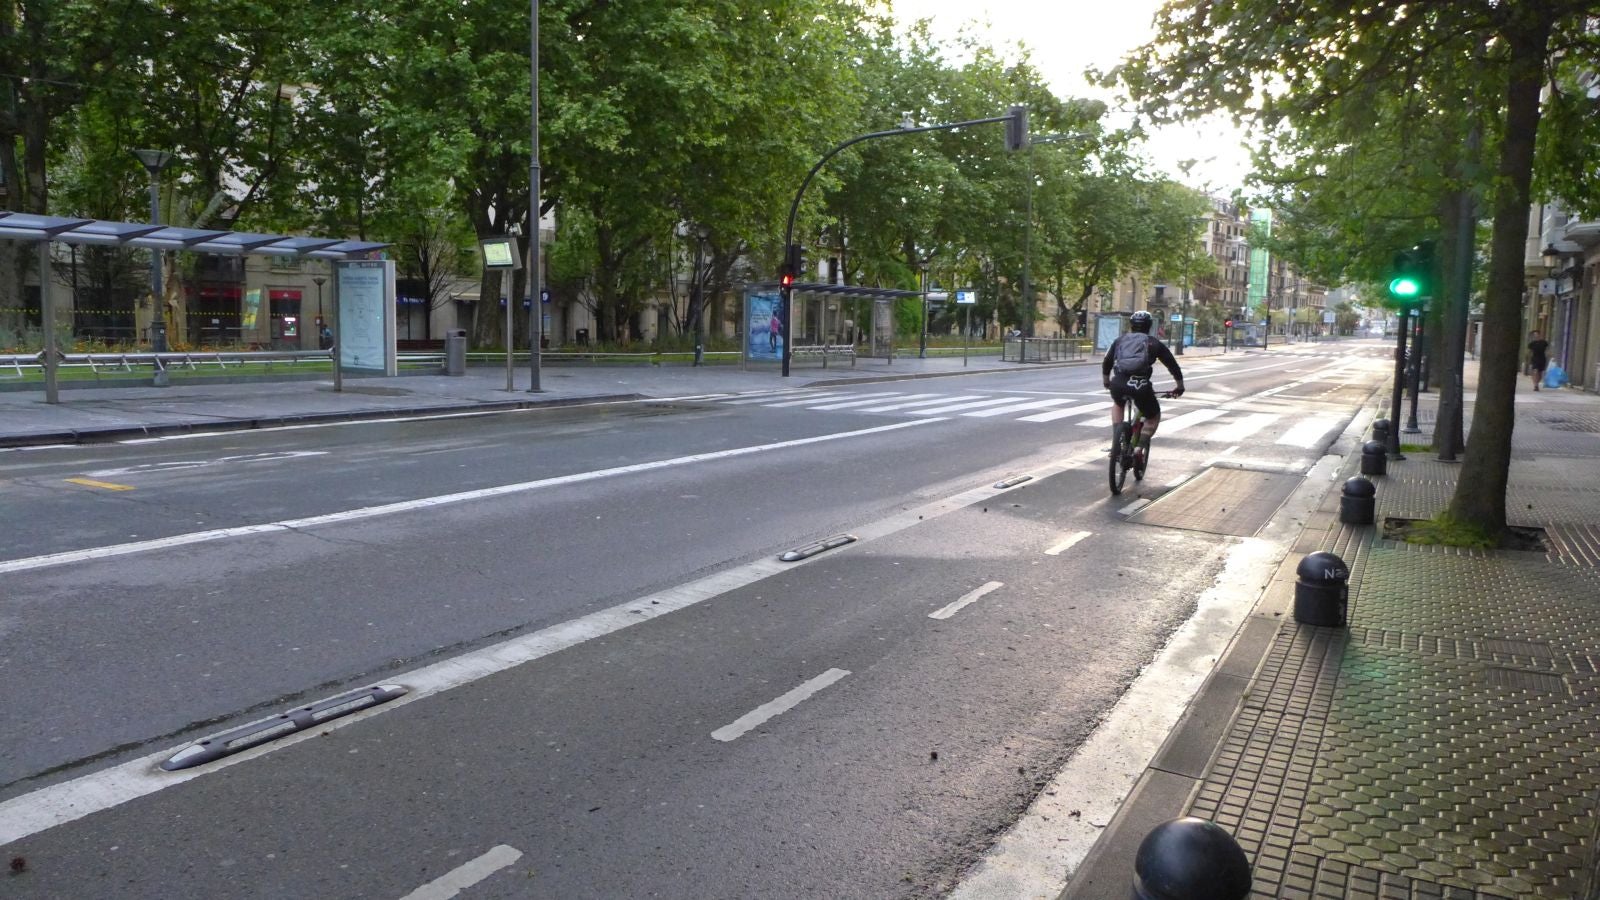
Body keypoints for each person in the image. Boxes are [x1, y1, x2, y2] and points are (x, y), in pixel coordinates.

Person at [1103, 310, 1185, 463]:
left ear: (1131, 325)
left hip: (1118, 383)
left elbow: (1107, 361)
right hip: (1140, 386)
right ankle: (1139, 448)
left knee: (1118, 403)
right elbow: (1172, 365)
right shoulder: (1154, 343)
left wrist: (1107, 381)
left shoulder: (1119, 340)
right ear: (1149, 326)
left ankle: (1117, 442)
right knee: (1153, 416)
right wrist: (1179, 386)